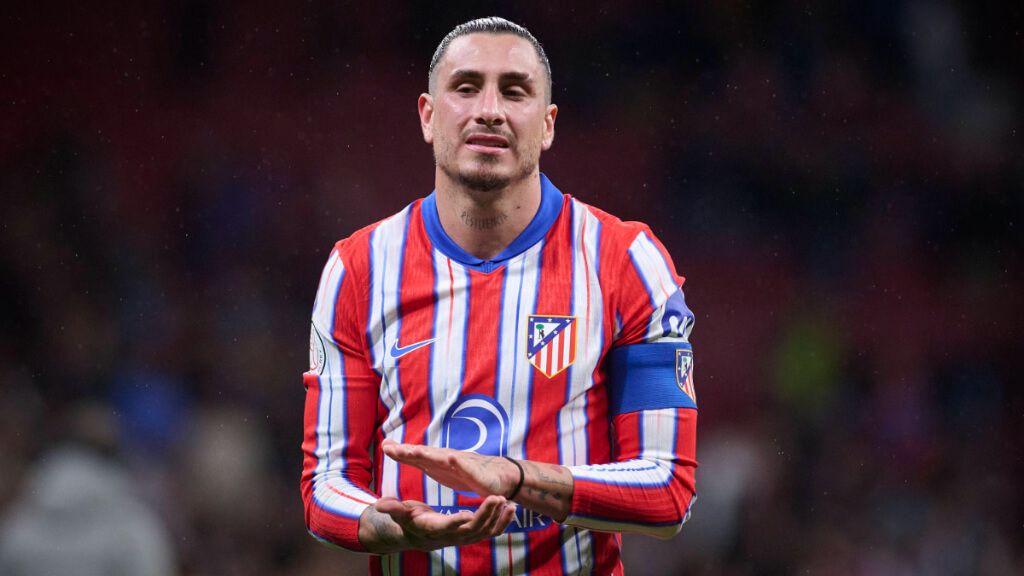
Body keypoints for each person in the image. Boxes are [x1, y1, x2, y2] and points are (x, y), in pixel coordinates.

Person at [301, 16, 698, 574]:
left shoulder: (626, 262)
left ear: (548, 125)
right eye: (466, 87)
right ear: (428, 115)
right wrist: (388, 525)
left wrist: (517, 477)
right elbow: (325, 486)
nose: (489, 108)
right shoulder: (358, 269)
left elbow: (668, 488)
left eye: (515, 91)